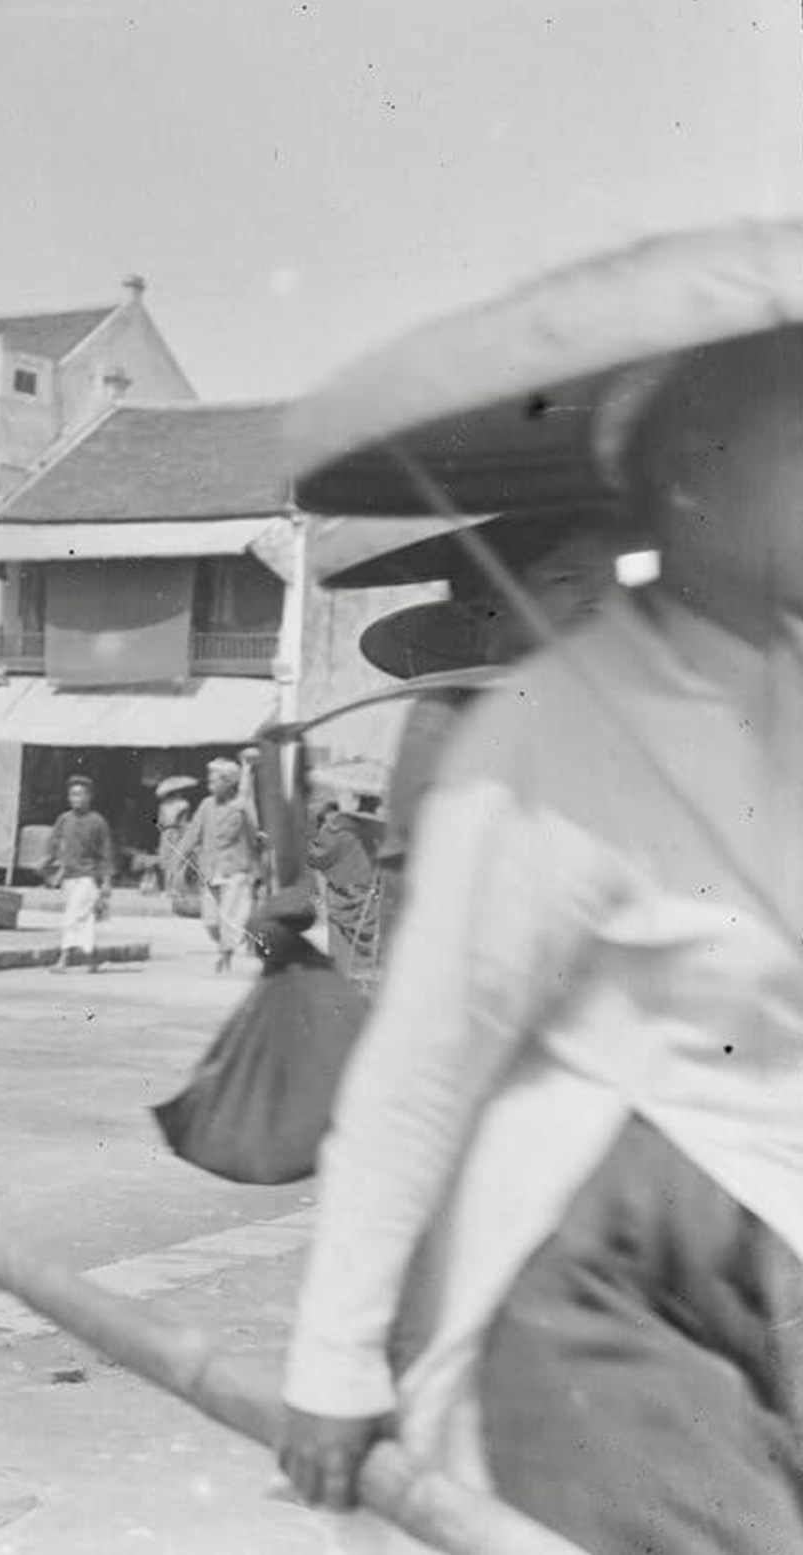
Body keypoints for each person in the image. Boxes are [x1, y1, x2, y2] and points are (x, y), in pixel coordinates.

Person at [278, 323, 803, 1553]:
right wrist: (333, 1351)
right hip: (607, 1258)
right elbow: (423, 1053)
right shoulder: (530, 736)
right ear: (689, 488)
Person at [361, 510, 628, 953]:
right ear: (490, 605)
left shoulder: (599, 711)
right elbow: (421, 904)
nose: (598, 600)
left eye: (609, 579)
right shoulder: (449, 720)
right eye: (567, 578)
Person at [177, 757, 259, 973]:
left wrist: (247, 813)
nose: (210, 784)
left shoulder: (241, 806)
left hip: (236, 871)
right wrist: (178, 860)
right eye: (210, 780)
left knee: (229, 918)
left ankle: (226, 953)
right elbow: (192, 834)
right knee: (211, 922)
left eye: (215, 781)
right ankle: (229, 942)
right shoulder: (206, 805)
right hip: (211, 871)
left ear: (229, 783)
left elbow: (254, 834)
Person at [304, 791, 379, 982]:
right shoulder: (381, 828)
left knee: (344, 956)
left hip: (342, 898)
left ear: (355, 801)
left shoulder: (337, 829)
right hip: (371, 898)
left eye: (344, 794)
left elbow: (315, 857)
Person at [41, 775, 114, 972]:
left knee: (73, 917)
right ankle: (92, 958)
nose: (76, 799)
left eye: (80, 794)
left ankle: (63, 960)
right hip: (69, 877)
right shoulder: (64, 819)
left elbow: (106, 854)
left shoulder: (98, 822)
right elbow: (53, 842)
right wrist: (46, 862)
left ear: (89, 797)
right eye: (72, 794)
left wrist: (107, 881)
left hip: (88, 877)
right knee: (84, 918)